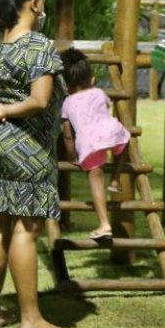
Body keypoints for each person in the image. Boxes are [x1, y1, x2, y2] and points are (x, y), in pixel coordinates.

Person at [0, 0, 75, 328]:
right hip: (28, 148)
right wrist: (4, 110)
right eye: (41, 1)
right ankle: (31, 322)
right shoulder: (39, 46)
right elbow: (40, 100)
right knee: (26, 229)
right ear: (33, 4)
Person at [58, 47, 132, 241]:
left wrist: (73, 156)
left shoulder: (67, 103)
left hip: (89, 142)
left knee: (96, 179)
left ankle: (104, 223)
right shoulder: (99, 92)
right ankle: (115, 179)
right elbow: (104, 107)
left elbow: (67, 135)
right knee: (124, 142)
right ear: (91, 78)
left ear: (67, 85)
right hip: (111, 131)